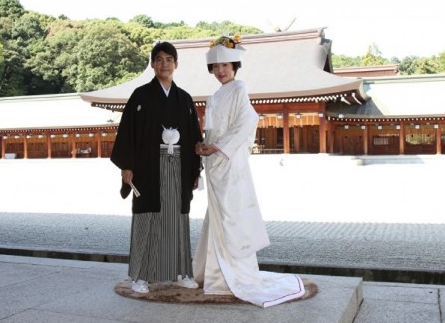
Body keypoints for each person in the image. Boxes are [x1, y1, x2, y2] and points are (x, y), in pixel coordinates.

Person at [193, 35, 306, 307]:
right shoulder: (216, 95)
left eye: (226, 65)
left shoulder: (239, 88)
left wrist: (217, 147)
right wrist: (204, 145)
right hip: (217, 161)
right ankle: (214, 273)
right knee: (220, 215)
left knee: (233, 216)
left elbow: (247, 121)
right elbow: (215, 129)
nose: (221, 71)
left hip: (229, 162)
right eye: (216, 66)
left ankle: (230, 275)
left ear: (234, 66)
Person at [110, 41, 203, 294]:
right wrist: (127, 166)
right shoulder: (140, 96)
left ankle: (182, 272)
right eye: (159, 59)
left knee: (176, 220)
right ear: (152, 64)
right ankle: (141, 276)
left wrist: (195, 171)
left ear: (176, 64)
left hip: (178, 166)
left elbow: (195, 136)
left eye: (169, 59)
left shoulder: (184, 99)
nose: (164, 64)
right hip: (147, 167)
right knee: (147, 219)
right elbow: (127, 131)